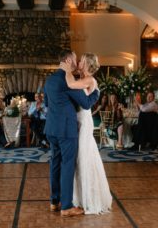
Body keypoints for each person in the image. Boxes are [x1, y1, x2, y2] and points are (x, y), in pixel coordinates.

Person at [44, 50, 100, 217]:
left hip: (51, 129)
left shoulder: (50, 80)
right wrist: (96, 92)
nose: (76, 63)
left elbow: (47, 103)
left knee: (55, 162)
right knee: (68, 165)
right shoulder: (68, 80)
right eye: (75, 60)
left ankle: (54, 201)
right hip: (66, 130)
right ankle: (67, 206)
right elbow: (85, 102)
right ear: (68, 60)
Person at [60, 52, 112, 214]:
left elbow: (70, 85)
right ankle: (79, 198)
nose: (79, 63)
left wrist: (67, 69)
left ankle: (89, 199)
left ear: (88, 64)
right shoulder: (84, 78)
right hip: (78, 120)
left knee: (83, 157)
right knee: (78, 158)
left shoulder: (90, 80)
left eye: (81, 61)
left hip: (84, 121)